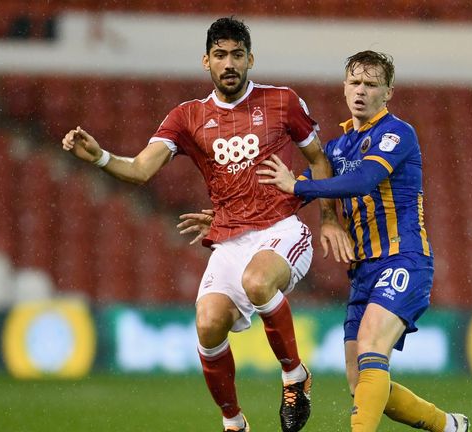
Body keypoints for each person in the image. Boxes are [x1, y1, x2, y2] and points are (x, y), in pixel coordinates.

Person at [61, 17, 352, 432]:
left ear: (251, 59)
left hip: (282, 228)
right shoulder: (187, 117)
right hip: (229, 241)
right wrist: (100, 158)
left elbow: (319, 159)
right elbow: (142, 169)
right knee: (208, 323)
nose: (228, 63)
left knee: (257, 282)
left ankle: (294, 375)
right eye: (220, 55)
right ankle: (234, 422)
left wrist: (328, 220)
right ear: (206, 62)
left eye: (236, 54)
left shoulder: (283, 102)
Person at [185, 50, 469, 431]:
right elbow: (288, 197)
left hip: (404, 259)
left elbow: (362, 181)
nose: (361, 91)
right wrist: (226, 221)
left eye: (371, 85)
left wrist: (301, 183)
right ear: (344, 87)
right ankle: (449, 426)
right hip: (364, 271)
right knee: (360, 382)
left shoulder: (397, 133)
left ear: (388, 93)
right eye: (355, 82)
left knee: (370, 348)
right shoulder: (336, 148)